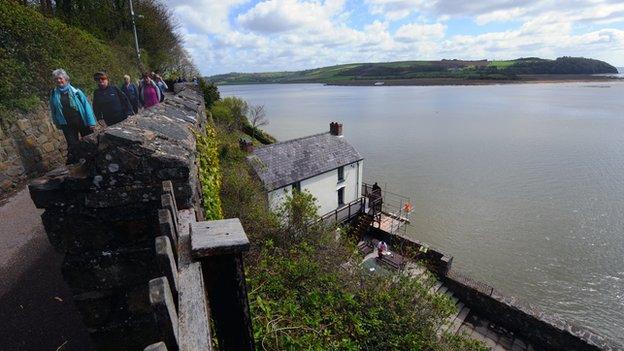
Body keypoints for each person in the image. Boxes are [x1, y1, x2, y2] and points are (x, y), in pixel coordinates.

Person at [49, 69, 96, 164]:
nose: (58, 81)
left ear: (66, 79)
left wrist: (91, 122)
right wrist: (57, 122)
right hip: (67, 124)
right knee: (72, 145)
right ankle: (79, 165)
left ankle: (94, 161)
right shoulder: (54, 94)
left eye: (60, 78)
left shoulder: (76, 92)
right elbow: (53, 109)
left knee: (89, 142)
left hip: (82, 121)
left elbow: (86, 106)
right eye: (56, 79)